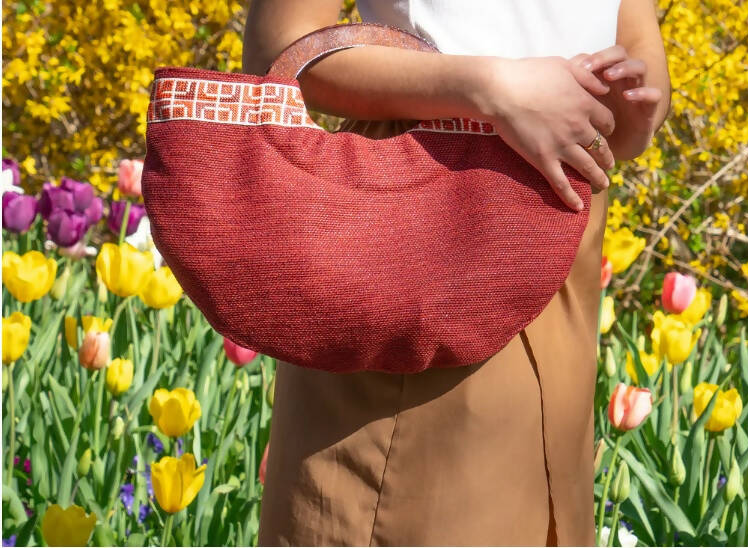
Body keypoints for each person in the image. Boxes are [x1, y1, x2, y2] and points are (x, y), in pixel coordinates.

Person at [243, 1, 670, 545]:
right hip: (422, 219)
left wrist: (626, 113)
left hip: (565, 224)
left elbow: (641, 63)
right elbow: (280, 46)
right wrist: (488, 88)